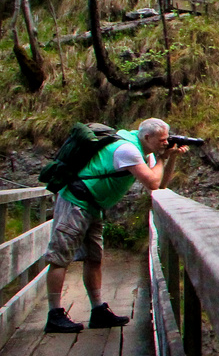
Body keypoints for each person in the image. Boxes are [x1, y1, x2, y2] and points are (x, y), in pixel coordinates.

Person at [41, 117, 189, 334]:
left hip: (93, 206)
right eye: (162, 140)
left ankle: (98, 310)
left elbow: (160, 185)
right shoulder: (127, 150)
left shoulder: (144, 151)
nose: (165, 143)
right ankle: (54, 314)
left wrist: (169, 159)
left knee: (94, 257)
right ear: (147, 137)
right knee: (59, 257)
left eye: (167, 140)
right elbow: (153, 182)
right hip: (76, 200)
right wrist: (162, 160)